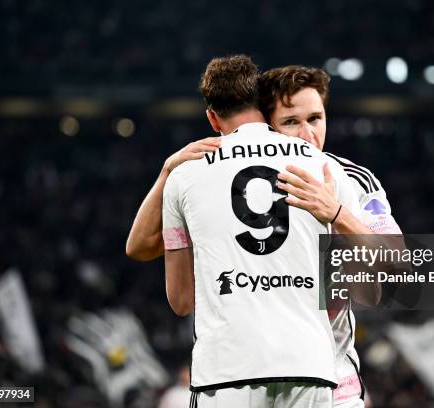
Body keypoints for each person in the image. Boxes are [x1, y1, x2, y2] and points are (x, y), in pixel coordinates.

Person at [161, 55, 367, 408]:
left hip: (225, 371)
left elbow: (181, 301)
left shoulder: (184, 175)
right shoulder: (322, 166)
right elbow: (389, 267)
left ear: (212, 117)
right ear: (262, 108)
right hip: (310, 364)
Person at [258, 65, 404, 408]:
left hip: (334, 386)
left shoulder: (354, 180)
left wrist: (337, 214)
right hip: (258, 385)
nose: (308, 133)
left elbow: (397, 262)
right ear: (267, 127)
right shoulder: (241, 190)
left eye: (315, 118)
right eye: (291, 122)